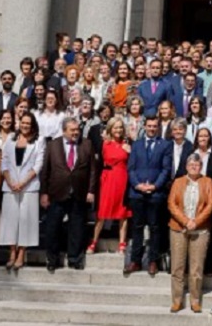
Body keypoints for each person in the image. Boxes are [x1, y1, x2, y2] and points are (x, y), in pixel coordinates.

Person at [41, 116, 98, 272]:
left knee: (77, 228)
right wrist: (44, 193)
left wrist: (91, 190)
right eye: (72, 130)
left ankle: (75, 259)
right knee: (53, 227)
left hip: (79, 193)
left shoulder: (86, 144)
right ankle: (52, 259)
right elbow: (45, 170)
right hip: (57, 193)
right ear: (64, 130)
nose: (76, 133)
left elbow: (93, 170)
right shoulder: (53, 145)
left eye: (77, 130)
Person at [124, 116, 172, 277]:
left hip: (155, 193)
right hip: (137, 193)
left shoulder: (165, 145)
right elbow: (131, 168)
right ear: (144, 126)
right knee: (137, 228)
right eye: (149, 126)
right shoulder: (136, 145)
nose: (152, 128)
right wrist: (137, 185)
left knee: (155, 228)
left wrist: (155, 186)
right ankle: (135, 261)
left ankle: (153, 261)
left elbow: (166, 169)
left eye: (155, 126)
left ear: (158, 127)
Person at [168, 153, 212, 313]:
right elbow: (172, 203)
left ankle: (195, 300)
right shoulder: (178, 181)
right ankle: (177, 300)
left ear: (201, 167)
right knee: (177, 266)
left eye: (197, 165)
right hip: (178, 228)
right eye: (191, 165)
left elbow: (210, 204)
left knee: (196, 268)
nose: (194, 167)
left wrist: (196, 222)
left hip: (200, 229)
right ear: (186, 166)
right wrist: (185, 221)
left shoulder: (207, 182)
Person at [0, 111, 44, 272]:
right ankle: (12, 253)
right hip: (10, 185)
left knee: (26, 221)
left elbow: (37, 166)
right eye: (23, 122)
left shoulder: (39, 141)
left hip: (29, 187)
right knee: (10, 220)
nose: (25, 125)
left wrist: (22, 183)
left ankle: (21, 254)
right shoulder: (10, 140)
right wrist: (10, 181)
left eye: (28, 123)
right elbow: (4, 162)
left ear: (32, 126)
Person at [91, 117, 131, 254]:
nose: (118, 130)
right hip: (107, 179)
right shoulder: (104, 144)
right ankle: (93, 242)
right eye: (115, 127)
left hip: (122, 178)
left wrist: (129, 150)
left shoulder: (128, 144)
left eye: (120, 127)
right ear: (110, 129)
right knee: (101, 212)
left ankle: (122, 243)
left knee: (123, 212)